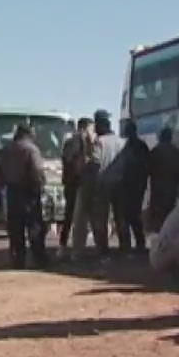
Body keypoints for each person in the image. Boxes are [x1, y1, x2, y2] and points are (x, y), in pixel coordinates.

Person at [0, 125, 48, 268]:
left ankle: (17, 260)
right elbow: (37, 170)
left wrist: (0, 180)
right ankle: (39, 259)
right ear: (28, 134)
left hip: (12, 190)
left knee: (15, 228)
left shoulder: (6, 149)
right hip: (29, 191)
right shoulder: (31, 149)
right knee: (34, 226)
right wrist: (39, 186)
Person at [86, 110, 126, 263]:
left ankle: (103, 251)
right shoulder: (121, 141)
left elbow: (95, 163)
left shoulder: (99, 142)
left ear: (100, 124)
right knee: (120, 217)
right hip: (120, 184)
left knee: (101, 218)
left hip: (103, 184)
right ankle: (125, 249)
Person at [115, 119, 150, 254]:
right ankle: (137, 243)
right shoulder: (140, 146)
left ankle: (132, 244)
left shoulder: (130, 146)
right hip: (136, 185)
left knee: (129, 215)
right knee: (133, 215)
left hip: (130, 185)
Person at [60, 118, 93, 255]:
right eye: (91, 128)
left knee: (69, 216)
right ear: (85, 128)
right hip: (78, 184)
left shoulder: (69, 142)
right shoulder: (80, 141)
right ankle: (75, 250)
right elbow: (78, 162)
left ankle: (63, 247)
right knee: (78, 217)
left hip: (70, 183)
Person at [146, 126, 179, 233]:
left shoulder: (155, 151)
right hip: (172, 191)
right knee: (171, 220)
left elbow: (148, 170)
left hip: (157, 191)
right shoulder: (178, 152)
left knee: (159, 221)